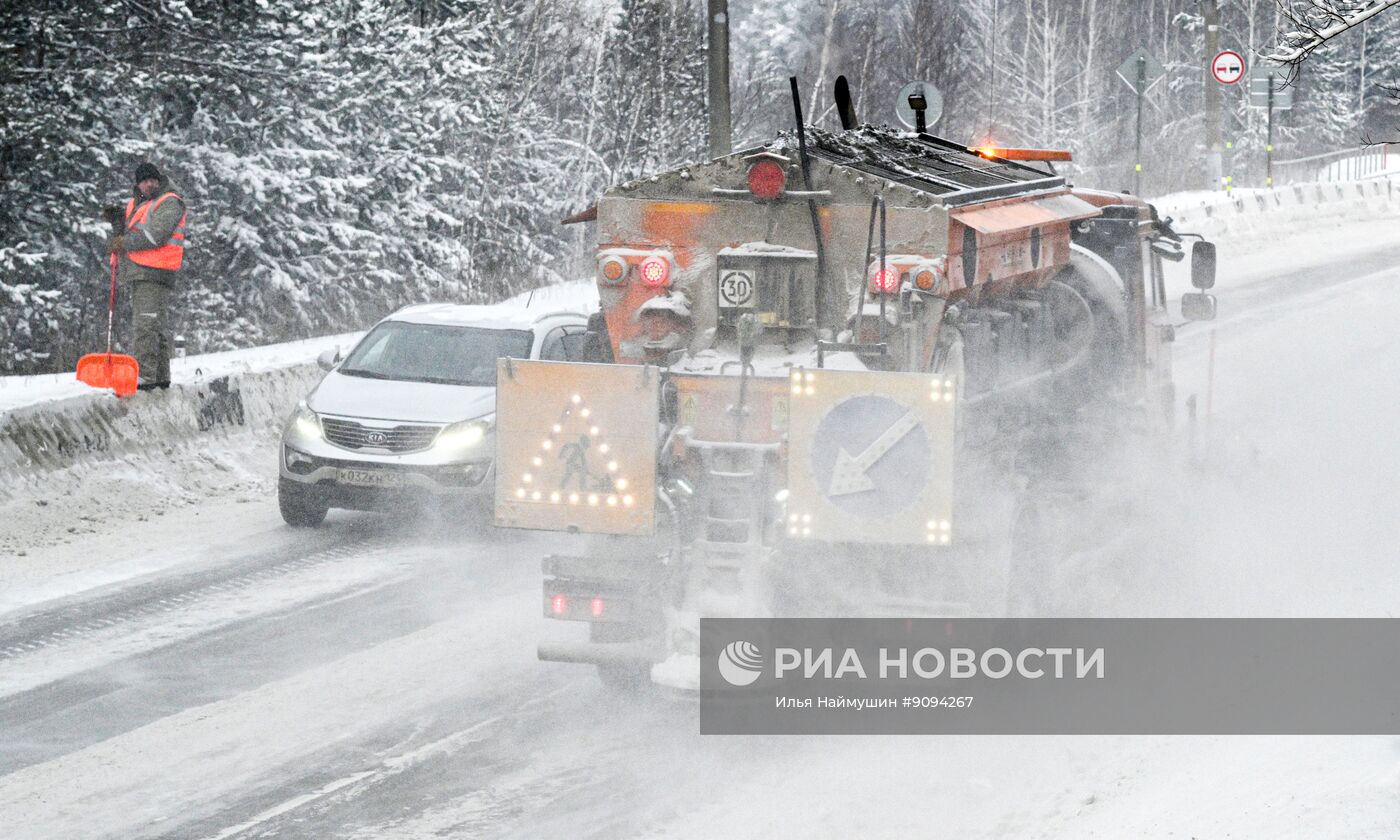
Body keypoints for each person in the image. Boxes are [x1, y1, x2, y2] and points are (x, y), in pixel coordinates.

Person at [107, 162, 187, 390]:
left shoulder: (170, 201)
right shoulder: (136, 203)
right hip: (139, 271)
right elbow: (129, 233)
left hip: (156, 271)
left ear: (158, 180)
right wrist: (117, 226)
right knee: (155, 325)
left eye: (152, 180)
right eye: (144, 180)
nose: (149, 184)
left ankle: (145, 377)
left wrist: (122, 243)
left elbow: (155, 236)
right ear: (138, 183)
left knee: (146, 325)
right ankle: (160, 378)